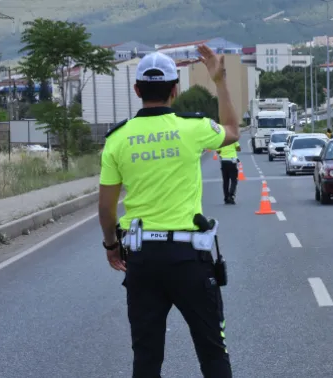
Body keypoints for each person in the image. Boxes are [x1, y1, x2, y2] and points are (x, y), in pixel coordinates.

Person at [97, 45, 239, 378]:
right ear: (175, 90)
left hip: (142, 258)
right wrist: (219, 80)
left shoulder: (117, 139)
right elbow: (232, 130)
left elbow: (105, 207)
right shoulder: (193, 127)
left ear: (137, 90)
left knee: (146, 358)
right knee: (212, 352)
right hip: (188, 258)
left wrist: (111, 245)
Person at [216, 140, 241, 204]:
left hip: (223, 161)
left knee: (225, 181)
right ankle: (231, 196)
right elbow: (239, 149)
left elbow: (218, 151)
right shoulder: (233, 139)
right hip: (232, 161)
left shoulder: (221, 140)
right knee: (234, 180)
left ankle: (226, 198)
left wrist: (224, 151)